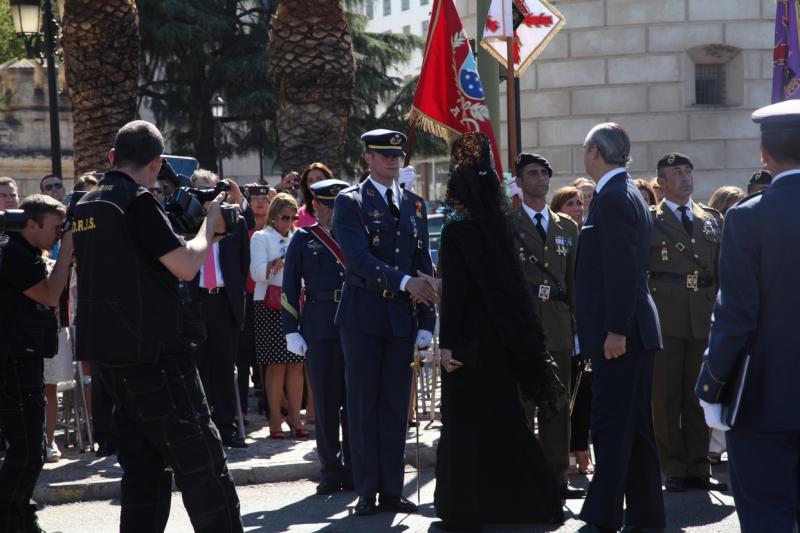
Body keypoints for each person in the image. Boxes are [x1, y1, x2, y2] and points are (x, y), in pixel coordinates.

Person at [71, 120, 243, 532]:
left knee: (143, 475)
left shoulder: (88, 203)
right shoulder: (137, 201)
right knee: (204, 467)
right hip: (157, 355)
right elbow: (185, 266)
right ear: (157, 162)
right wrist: (210, 222)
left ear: (112, 157)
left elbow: (145, 260)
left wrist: (208, 237)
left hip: (111, 357)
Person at [433, 133, 565, 532]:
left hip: (467, 346)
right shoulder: (499, 226)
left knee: (467, 424)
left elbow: (455, 296)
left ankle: (466, 508)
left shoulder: (456, 230)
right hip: (499, 341)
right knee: (505, 420)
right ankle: (533, 501)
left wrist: (447, 345)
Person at [696, 99, 800, 532]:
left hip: (763, 395)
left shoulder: (747, 217)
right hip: (767, 395)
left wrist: (712, 384)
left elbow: (735, 314)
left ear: (764, 154)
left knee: (766, 513)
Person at [332, 128, 437, 516]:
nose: (393, 161)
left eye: (397, 155)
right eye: (384, 155)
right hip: (363, 316)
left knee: (396, 406)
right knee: (363, 406)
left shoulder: (415, 204)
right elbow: (358, 259)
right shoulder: (351, 202)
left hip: (400, 317)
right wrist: (406, 282)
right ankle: (367, 489)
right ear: (368, 159)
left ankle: (392, 488)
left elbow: (422, 263)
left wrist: (427, 318)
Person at [575, 122, 664, 532]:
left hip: (622, 334)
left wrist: (616, 330)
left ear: (595, 152)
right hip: (634, 328)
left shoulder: (612, 196)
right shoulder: (624, 191)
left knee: (611, 425)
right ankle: (645, 516)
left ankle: (602, 516)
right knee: (636, 429)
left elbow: (621, 269)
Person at [648, 153, 727, 494]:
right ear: (661, 183)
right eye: (675, 173)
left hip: (703, 314)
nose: (684, 177)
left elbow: (724, 271)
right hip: (664, 317)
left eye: (687, 171)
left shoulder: (711, 219)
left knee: (700, 394)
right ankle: (673, 466)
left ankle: (698, 464)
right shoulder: (649, 220)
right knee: (664, 397)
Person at [509, 153, 583, 500]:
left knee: (556, 403)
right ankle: (523, 478)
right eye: (532, 174)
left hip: (556, 323)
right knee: (522, 405)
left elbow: (574, 282)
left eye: (544, 173)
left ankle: (557, 477)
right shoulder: (508, 224)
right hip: (522, 325)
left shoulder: (566, 226)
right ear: (519, 181)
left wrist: (578, 328)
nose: (539, 179)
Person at [0, 194, 71, 532]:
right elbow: (49, 294)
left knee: (29, 448)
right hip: (14, 365)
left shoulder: (23, 251)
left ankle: (21, 518)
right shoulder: (14, 254)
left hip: (23, 362)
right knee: (28, 449)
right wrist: (69, 249)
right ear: (31, 225)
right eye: (57, 228)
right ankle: (11, 520)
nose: (61, 234)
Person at [282, 178, 353, 495]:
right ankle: (330, 469)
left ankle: (354, 467)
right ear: (317, 206)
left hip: (354, 326)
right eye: (329, 204)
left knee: (354, 404)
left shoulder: (356, 237)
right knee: (325, 404)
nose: (335, 211)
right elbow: (289, 288)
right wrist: (290, 329)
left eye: (340, 204)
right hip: (319, 327)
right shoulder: (303, 238)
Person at [190, 169, 250, 449]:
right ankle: (202, 428)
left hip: (224, 301)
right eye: (202, 191)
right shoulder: (187, 221)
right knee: (199, 367)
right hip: (197, 301)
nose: (208, 197)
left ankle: (227, 427)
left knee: (225, 367)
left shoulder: (232, 220)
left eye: (212, 191)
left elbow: (242, 262)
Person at [250, 193, 307, 439]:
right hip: (268, 304)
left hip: (295, 304)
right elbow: (256, 274)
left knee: (297, 364)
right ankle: (275, 417)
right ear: (274, 216)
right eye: (285, 217)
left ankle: (296, 416)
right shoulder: (261, 238)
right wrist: (282, 261)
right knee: (276, 365)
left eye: (294, 217)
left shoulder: (299, 236)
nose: (290, 222)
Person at [550, 187, 594, 476]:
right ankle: (564, 451)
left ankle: (582, 449)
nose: (577, 208)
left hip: (584, 321)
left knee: (585, 391)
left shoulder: (586, 236)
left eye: (580, 203)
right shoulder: (557, 237)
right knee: (563, 391)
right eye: (570, 203)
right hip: (560, 320)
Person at [236, 184, 271, 423]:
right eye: (254, 197)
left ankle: (274, 405)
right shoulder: (239, 227)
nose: (259, 201)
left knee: (270, 358)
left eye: (264, 197)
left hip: (270, 298)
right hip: (246, 299)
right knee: (243, 354)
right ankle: (241, 412)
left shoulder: (278, 229)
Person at [297, 162, 334, 228]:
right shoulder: (300, 215)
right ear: (307, 186)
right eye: (310, 181)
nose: (315, 183)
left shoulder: (340, 208)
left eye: (319, 179)